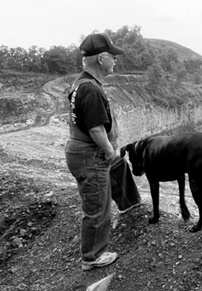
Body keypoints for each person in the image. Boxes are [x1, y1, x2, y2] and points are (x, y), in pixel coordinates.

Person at [64, 33, 142, 271]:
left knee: (118, 167)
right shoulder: (91, 90)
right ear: (100, 59)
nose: (115, 61)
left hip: (83, 150)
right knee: (97, 206)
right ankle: (92, 257)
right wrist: (108, 150)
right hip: (90, 154)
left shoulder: (81, 84)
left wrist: (112, 154)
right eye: (113, 57)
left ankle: (130, 204)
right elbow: (96, 129)